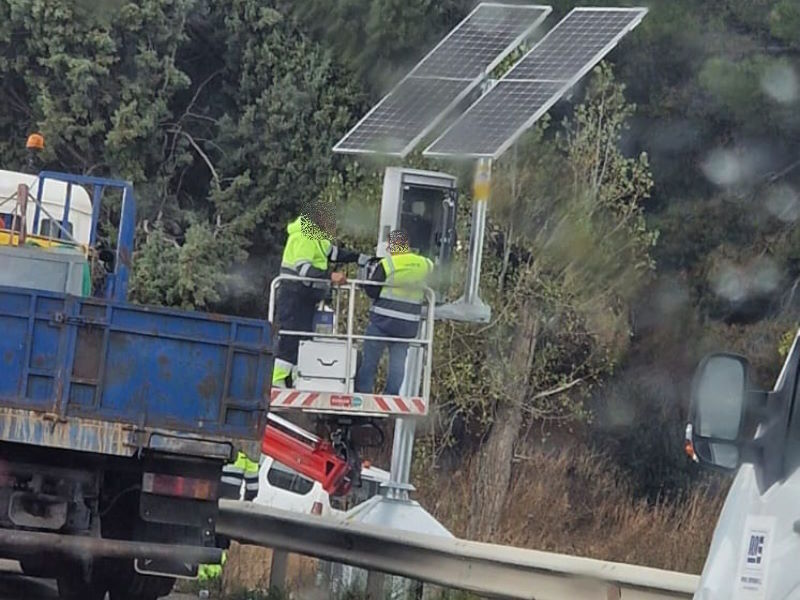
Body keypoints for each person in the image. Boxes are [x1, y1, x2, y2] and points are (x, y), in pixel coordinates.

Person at [272, 200, 370, 387]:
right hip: (293, 294)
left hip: (304, 296)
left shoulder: (315, 236)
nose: (331, 224)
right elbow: (304, 269)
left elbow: (333, 253)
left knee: (303, 337)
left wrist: (358, 258)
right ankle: (277, 380)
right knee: (291, 336)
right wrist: (331, 276)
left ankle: (294, 379)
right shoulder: (304, 236)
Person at [355, 230, 433, 395]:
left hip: (382, 322)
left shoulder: (387, 264)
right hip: (407, 325)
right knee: (398, 364)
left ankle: (363, 393)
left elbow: (371, 290)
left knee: (370, 359)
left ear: (393, 246)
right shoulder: (425, 264)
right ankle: (391, 395)